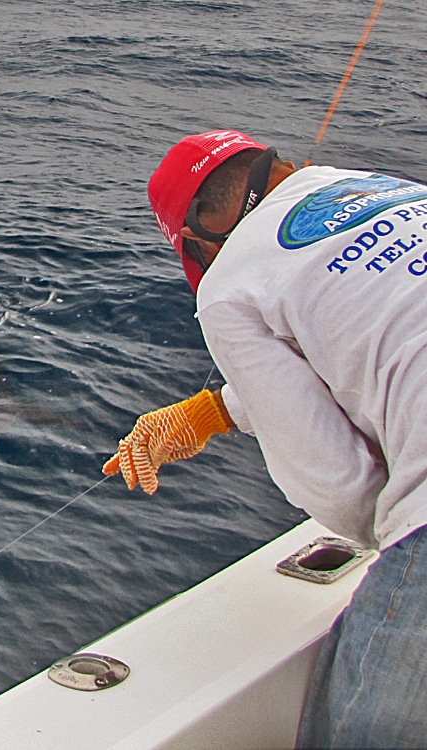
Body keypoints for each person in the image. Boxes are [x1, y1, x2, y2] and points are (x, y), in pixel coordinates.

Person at [102, 129, 427, 748]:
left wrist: (399, 534)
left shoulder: (228, 284)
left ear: (196, 239)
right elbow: (376, 333)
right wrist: (209, 413)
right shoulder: (388, 189)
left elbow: (335, 481)